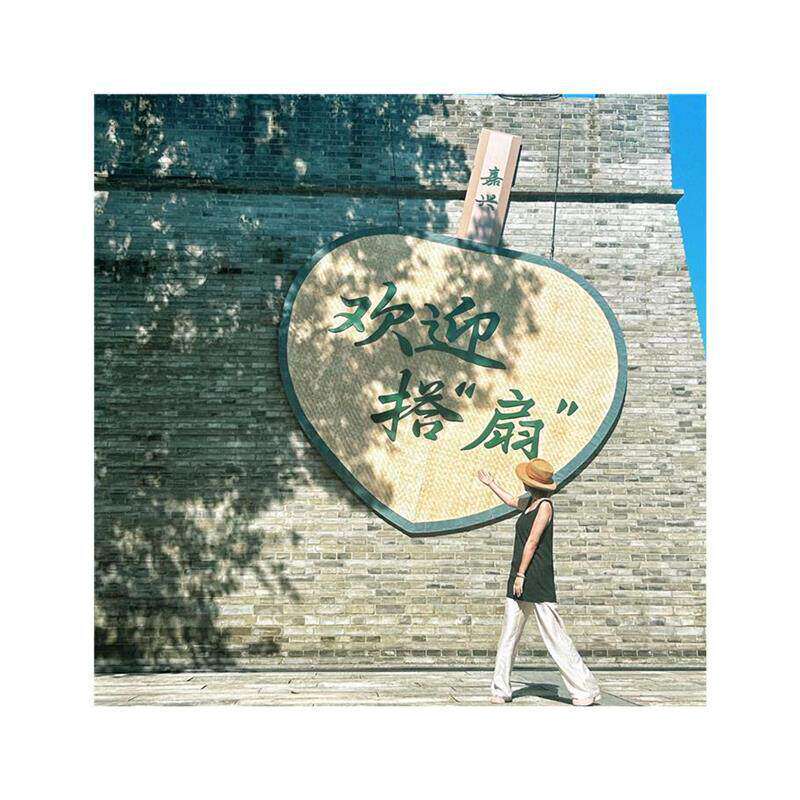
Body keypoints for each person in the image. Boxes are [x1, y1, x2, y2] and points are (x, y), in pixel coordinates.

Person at [477, 458, 601, 706]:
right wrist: (491, 484)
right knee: (508, 635)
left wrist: (521, 575)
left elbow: (532, 543)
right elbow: (511, 501)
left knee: (555, 636)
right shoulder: (529, 503)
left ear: (530, 483)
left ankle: (584, 690)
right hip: (518, 577)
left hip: (536, 577)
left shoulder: (545, 506)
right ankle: (501, 689)